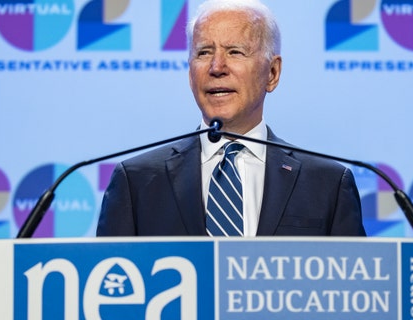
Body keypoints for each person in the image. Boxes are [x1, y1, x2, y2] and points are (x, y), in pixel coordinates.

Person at [97, 0, 365, 237]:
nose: (216, 68)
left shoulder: (327, 184)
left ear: (272, 73)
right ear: (190, 74)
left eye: (235, 52)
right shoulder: (136, 181)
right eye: (203, 53)